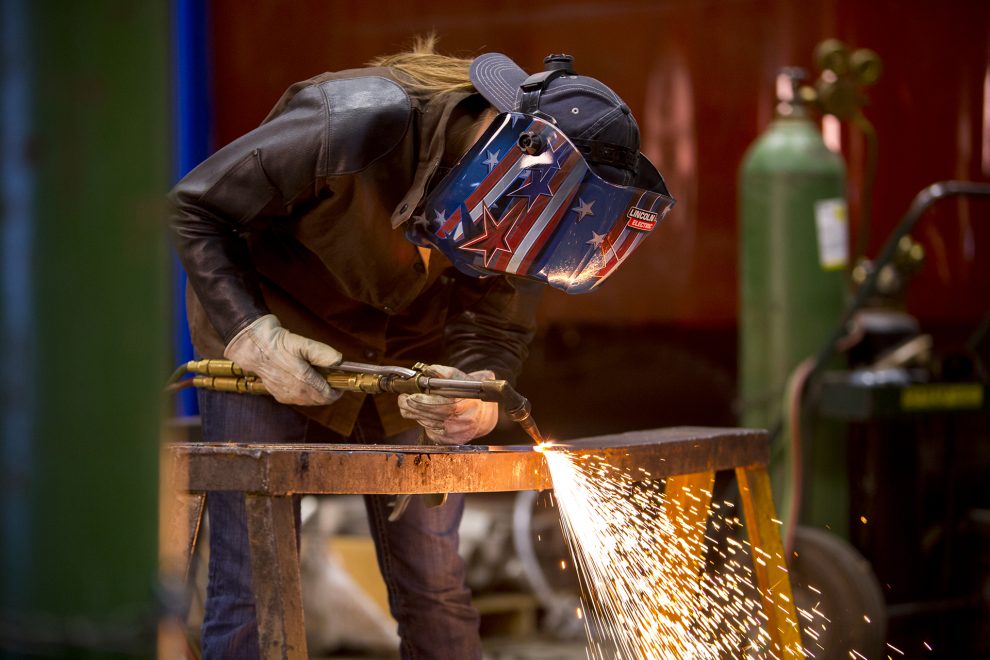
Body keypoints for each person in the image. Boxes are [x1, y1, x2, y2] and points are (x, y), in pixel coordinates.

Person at [169, 35, 673, 660]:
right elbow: (195, 207)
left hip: (409, 358)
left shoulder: (546, 209)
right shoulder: (349, 121)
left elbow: (496, 327)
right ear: (511, 151)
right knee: (254, 588)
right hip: (270, 329)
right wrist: (254, 334)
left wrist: (476, 395)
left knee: (435, 586)